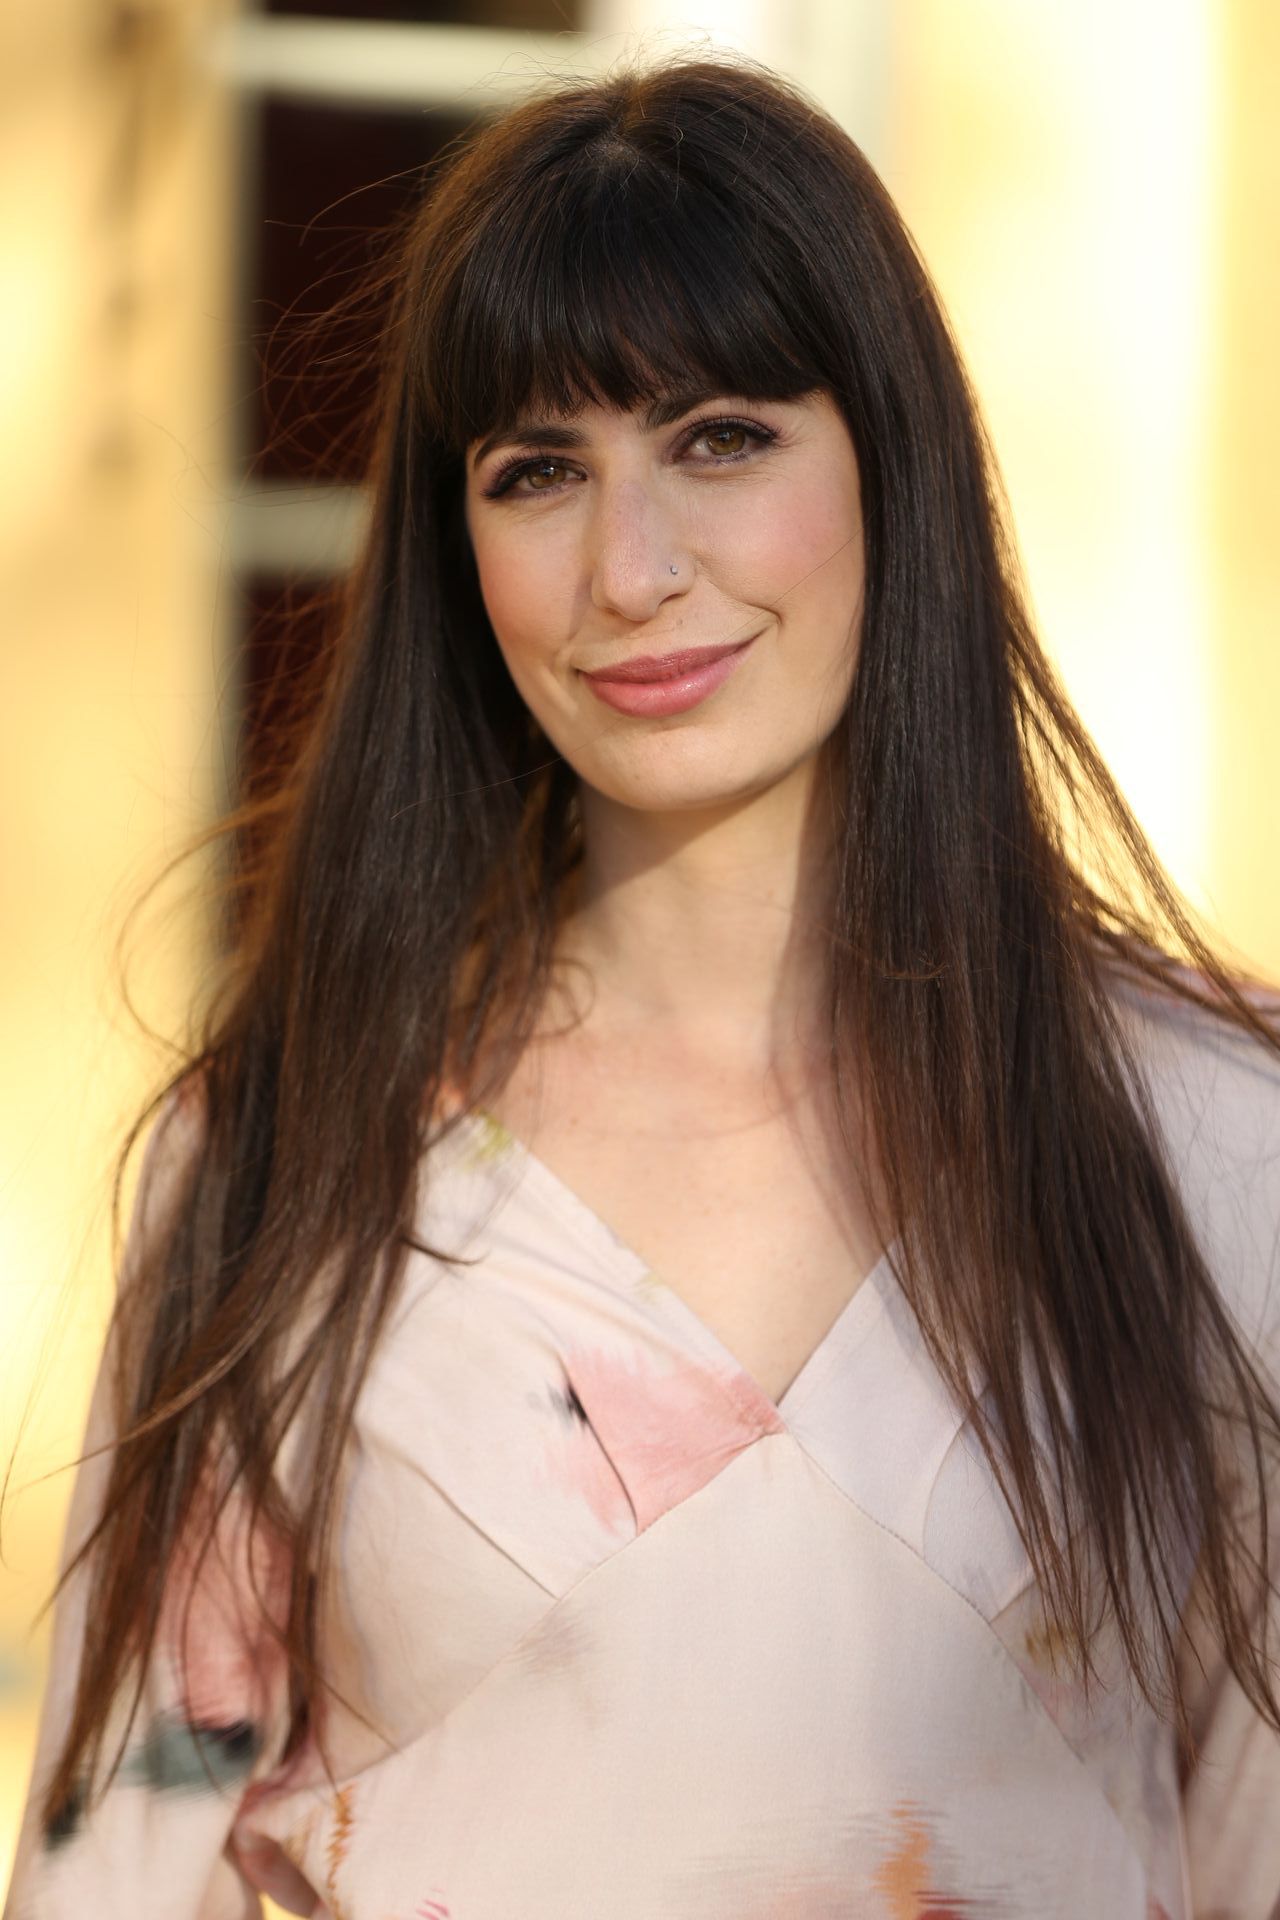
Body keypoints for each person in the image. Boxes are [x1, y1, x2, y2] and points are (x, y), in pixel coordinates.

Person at [6, 48, 1280, 1920]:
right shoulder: (293, 1156)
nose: (629, 568)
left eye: (720, 438)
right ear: (462, 544)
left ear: (890, 468)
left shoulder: (1205, 1141)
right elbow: (114, 1868)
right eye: (539, 473)